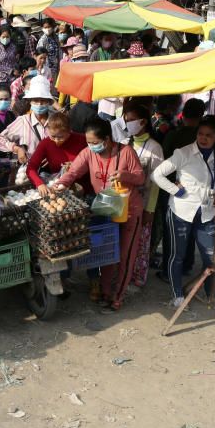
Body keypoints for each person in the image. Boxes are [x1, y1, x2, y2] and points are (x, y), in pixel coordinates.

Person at [56, 117, 145, 313]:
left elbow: (140, 177)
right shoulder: (88, 153)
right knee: (107, 253)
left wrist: (124, 176)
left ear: (107, 138)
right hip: (106, 211)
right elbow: (73, 172)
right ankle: (105, 292)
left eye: (95, 142)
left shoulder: (126, 152)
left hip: (129, 211)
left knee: (124, 255)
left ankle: (118, 297)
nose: (91, 146)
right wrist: (60, 185)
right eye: (88, 142)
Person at [152, 116, 215, 308]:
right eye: (200, 134)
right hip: (180, 211)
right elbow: (157, 174)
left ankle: (210, 295)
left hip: (206, 212)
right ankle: (177, 296)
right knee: (177, 255)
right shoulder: (184, 153)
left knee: (210, 257)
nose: (204, 138)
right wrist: (175, 190)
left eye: (208, 135)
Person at [123, 103, 164, 288]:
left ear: (143, 122)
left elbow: (156, 182)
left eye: (132, 120)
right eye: (126, 120)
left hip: (145, 201)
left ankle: (138, 276)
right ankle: (124, 273)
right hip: (125, 203)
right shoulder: (125, 143)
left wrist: (150, 209)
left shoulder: (155, 148)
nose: (128, 124)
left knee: (141, 243)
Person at [0, 75, 54, 161]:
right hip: (29, 168)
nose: (39, 104)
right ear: (30, 101)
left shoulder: (57, 120)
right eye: (36, 100)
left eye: (43, 100)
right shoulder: (23, 121)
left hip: (54, 170)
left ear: (48, 101)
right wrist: (17, 149)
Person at [27, 112, 88, 196]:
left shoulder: (82, 140)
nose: (56, 140)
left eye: (60, 137)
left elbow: (94, 161)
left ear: (69, 131)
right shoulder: (45, 143)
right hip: (58, 189)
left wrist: (78, 165)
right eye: (53, 136)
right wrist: (39, 183)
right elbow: (31, 167)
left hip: (82, 187)